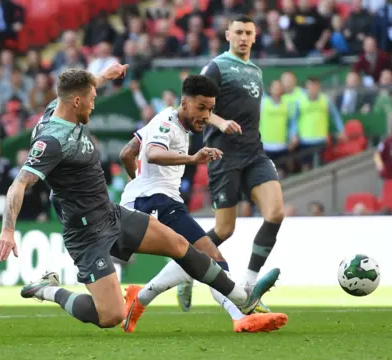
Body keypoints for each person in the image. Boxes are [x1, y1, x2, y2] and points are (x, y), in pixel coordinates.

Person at [0, 65, 280, 330]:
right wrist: (8, 229)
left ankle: (242, 299)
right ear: (77, 102)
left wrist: (105, 76)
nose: (95, 104)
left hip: (111, 213)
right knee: (111, 316)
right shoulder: (52, 142)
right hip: (86, 233)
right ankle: (48, 289)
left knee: (180, 244)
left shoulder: (59, 105)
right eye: (92, 99)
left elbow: (87, 87)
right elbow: (19, 185)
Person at [118, 75, 287, 333]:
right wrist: (191, 159)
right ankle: (241, 315)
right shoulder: (167, 123)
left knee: (193, 258)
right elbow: (152, 153)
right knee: (212, 256)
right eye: (201, 108)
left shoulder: (167, 120)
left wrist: (138, 184)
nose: (206, 115)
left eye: (210, 109)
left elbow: (127, 153)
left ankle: (138, 299)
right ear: (184, 103)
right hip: (156, 200)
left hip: (157, 199)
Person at [175, 14, 285, 314]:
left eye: (249, 32)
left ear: (255, 35)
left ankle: (249, 285)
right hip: (223, 153)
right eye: (238, 32)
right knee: (224, 230)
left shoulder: (256, 71)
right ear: (227, 35)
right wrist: (220, 122)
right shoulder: (217, 66)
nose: (243, 38)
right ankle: (185, 266)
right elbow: (192, 104)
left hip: (254, 152)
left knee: (275, 213)